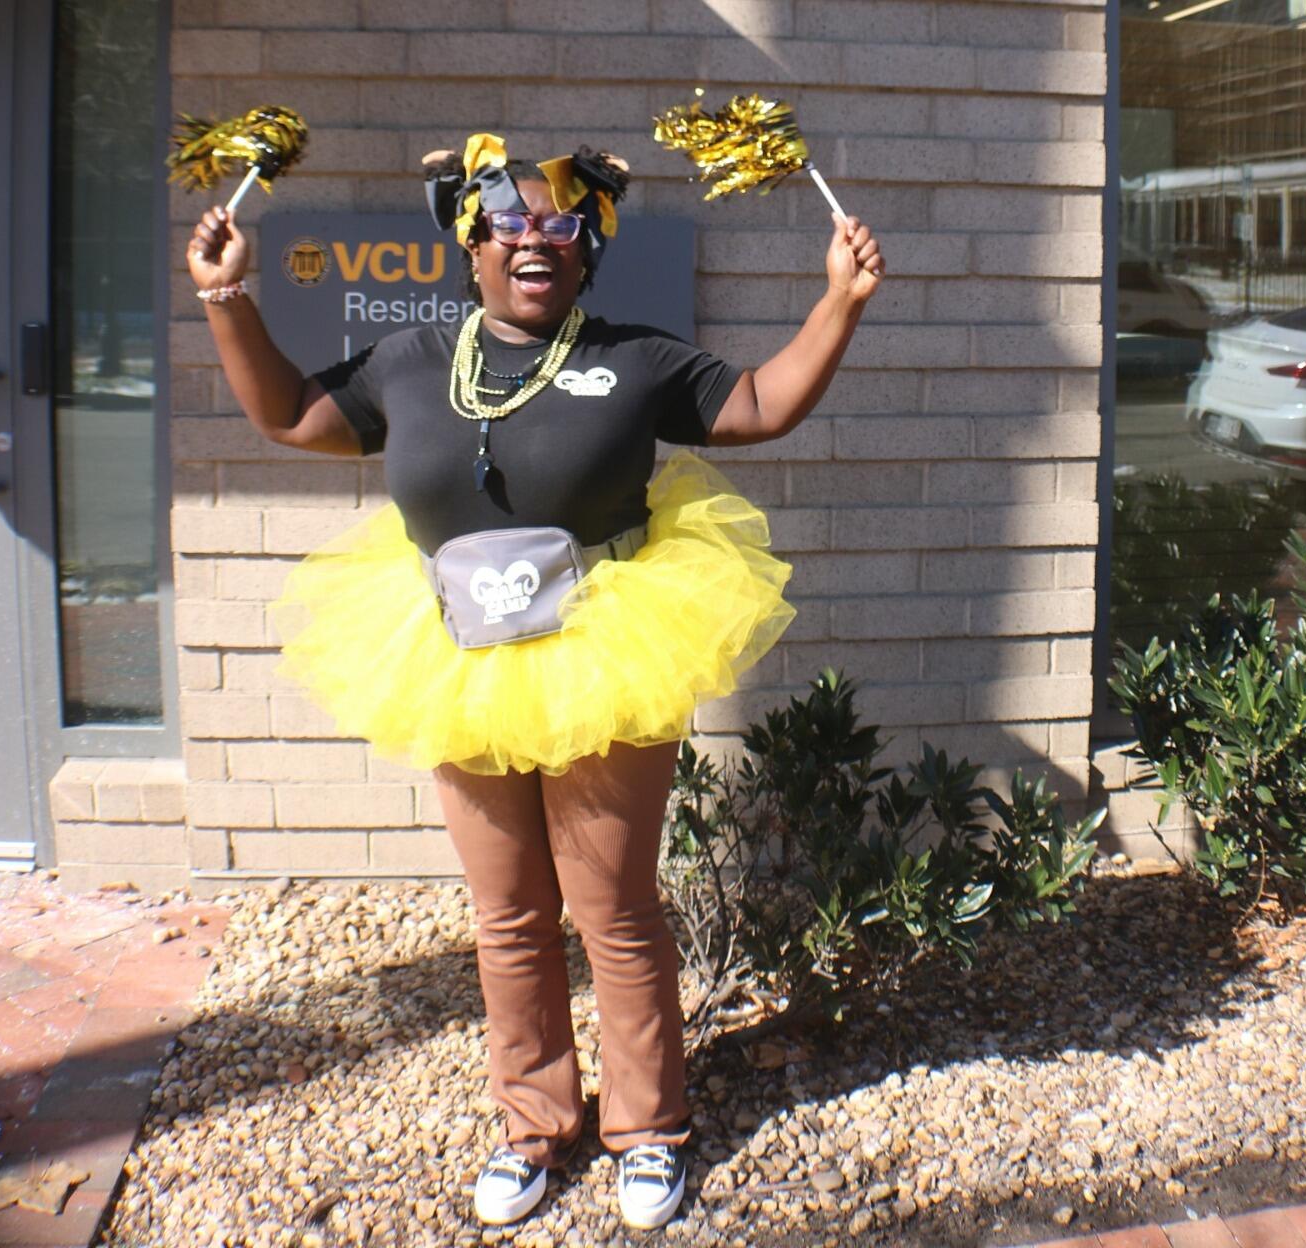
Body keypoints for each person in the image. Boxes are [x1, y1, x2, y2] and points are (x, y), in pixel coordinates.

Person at [185, 133, 883, 1232]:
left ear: (586, 246)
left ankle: (648, 1133)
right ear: (469, 244)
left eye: (559, 225)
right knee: (508, 916)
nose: (532, 241)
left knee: (613, 912)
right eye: (505, 223)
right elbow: (292, 419)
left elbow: (756, 407)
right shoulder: (412, 359)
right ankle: (533, 1129)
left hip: (603, 651)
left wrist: (837, 300)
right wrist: (227, 298)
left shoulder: (636, 358)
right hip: (457, 659)